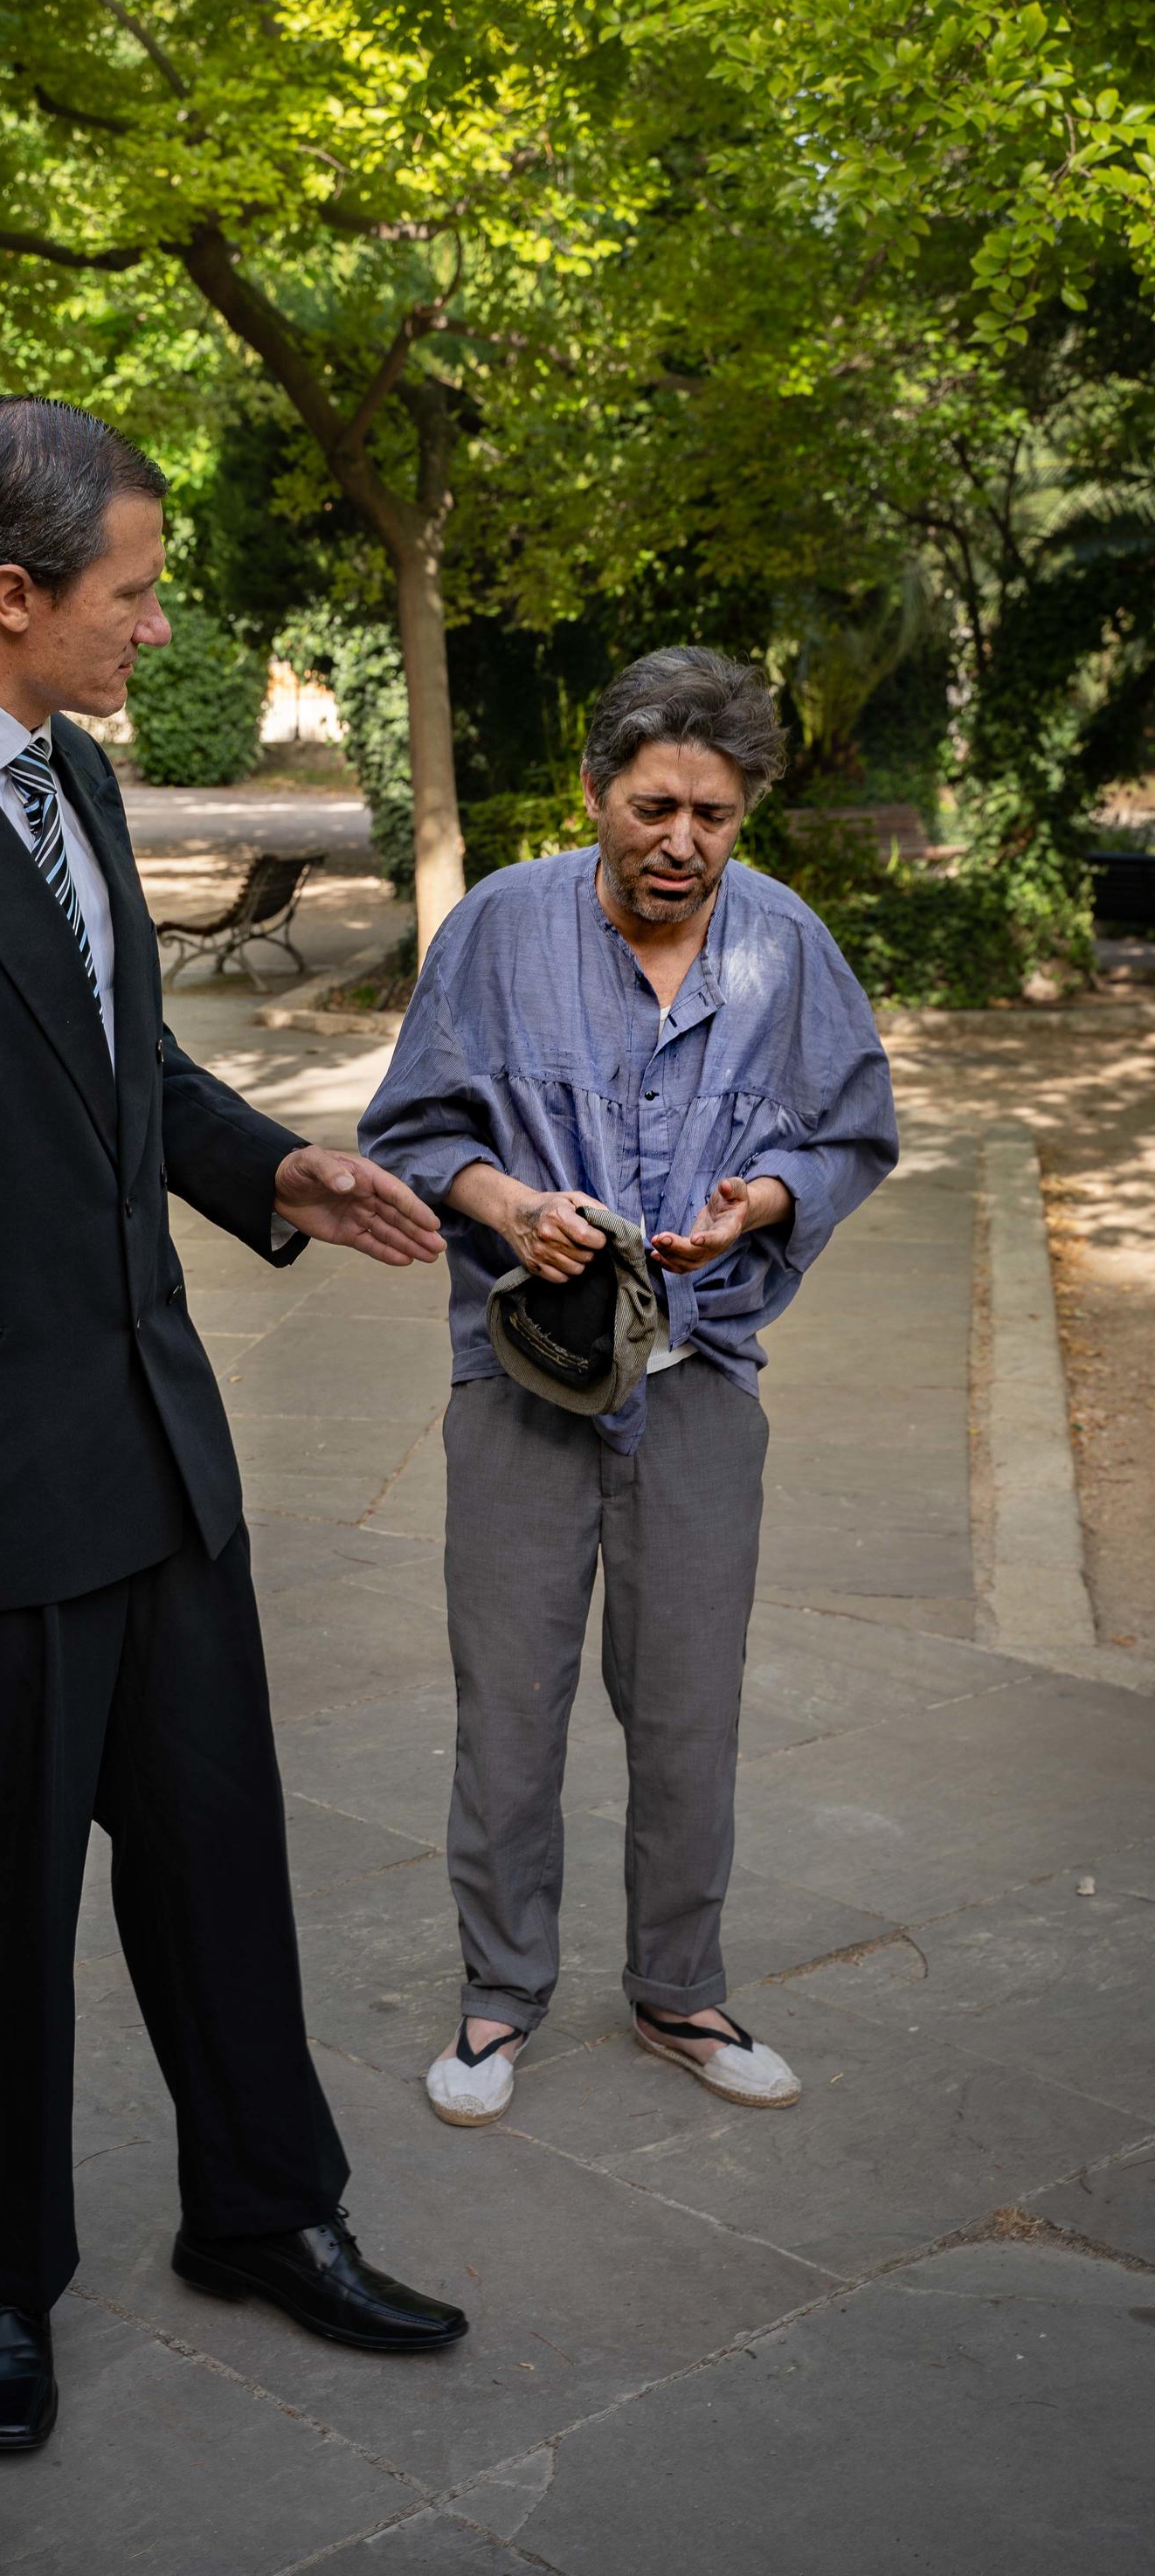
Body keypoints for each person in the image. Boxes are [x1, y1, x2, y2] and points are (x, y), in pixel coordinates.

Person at [0, 395, 468, 2455]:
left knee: (222, 1866)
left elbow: (112, 1070)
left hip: (153, 1454)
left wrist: (265, 1174)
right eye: (129, 594)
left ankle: (267, 2216)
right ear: (13, 595)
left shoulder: (71, 785)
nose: (152, 625)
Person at [360, 647, 898, 2130]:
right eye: (654, 805)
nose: (681, 842)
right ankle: (498, 1996)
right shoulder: (497, 930)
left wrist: (766, 1202)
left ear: (744, 818)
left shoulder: (787, 947)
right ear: (597, 792)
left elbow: (855, 1131)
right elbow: (410, 1130)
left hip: (705, 1378)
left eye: (714, 817)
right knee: (510, 1705)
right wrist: (507, 1204)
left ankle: (679, 1993)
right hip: (522, 1384)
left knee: (687, 1710)